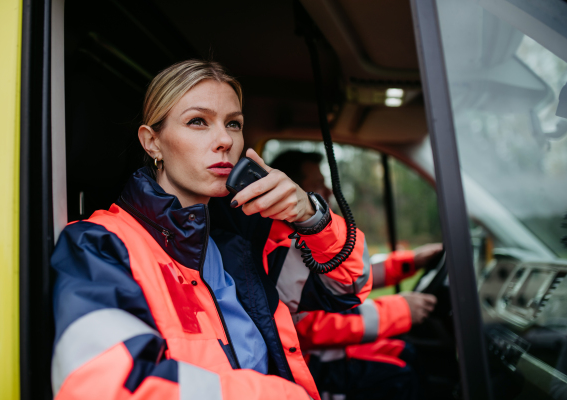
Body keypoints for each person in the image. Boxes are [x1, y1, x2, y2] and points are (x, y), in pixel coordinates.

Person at [50, 60, 373, 400]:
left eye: (233, 124)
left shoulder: (251, 234)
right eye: (198, 121)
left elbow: (349, 286)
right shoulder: (99, 245)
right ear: (152, 143)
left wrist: (311, 217)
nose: (224, 140)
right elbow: (101, 385)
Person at [271, 150, 442, 400]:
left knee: (406, 351)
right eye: (317, 184)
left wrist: (411, 262)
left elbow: (346, 277)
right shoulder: (279, 245)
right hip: (307, 363)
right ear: (291, 189)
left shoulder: (302, 235)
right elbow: (307, 326)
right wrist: (400, 311)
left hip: (325, 352)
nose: (328, 192)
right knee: (401, 376)